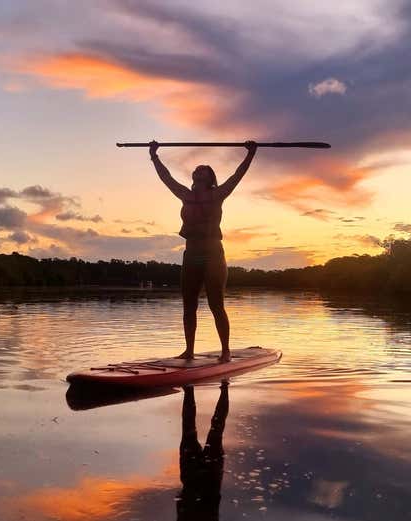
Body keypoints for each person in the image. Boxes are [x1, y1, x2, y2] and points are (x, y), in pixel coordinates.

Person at [150, 140, 257, 362]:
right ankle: (189, 350)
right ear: (193, 177)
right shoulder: (185, 195)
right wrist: (154, 155)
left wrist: (250, 153)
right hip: (191, 255)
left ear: (210, 178)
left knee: (216, 304)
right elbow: (165, 178)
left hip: (213, 256)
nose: (199, 170)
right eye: (197, 169)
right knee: (188, 306)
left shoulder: (218, 194)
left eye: (204, 170)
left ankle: (225, 351)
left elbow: (238, 175)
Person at [176, 383, 229, 521]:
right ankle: (224, 386)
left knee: (205, 428)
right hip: (208, 481)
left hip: (194, 481)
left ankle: (190, 388)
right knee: (214, 429)